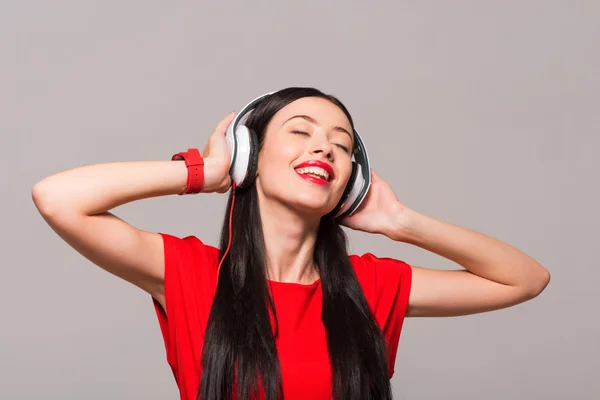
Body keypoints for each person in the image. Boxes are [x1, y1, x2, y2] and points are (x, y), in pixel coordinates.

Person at [32, 87, 550, 400]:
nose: (324, 145)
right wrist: (207, 171)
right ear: (248, 156)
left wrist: (399, 220)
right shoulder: (190, 274)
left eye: (342, 144)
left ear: (353, 180)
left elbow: (525, 278)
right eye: (300, 131)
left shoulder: (371, 287)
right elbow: (57, 198)